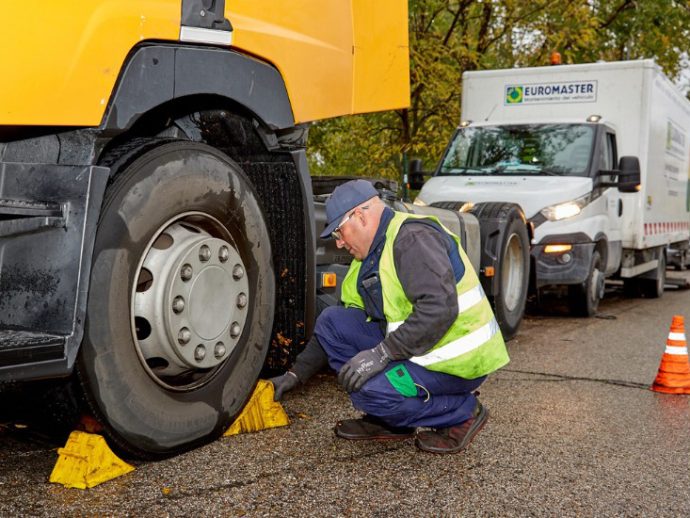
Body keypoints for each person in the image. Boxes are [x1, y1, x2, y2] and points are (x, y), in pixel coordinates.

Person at [269, 179, 509, 453]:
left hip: (456, 363)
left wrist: (381, 354)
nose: (340, 242)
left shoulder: (412, 239)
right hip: (419, 349)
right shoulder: (368, 259)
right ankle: (391, 422)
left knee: (372, 391)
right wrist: (294, 375)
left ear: (360, 215)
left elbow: (439, 309)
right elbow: (334, 330)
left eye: (339, 232)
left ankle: (462, 412)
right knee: (333, 320)